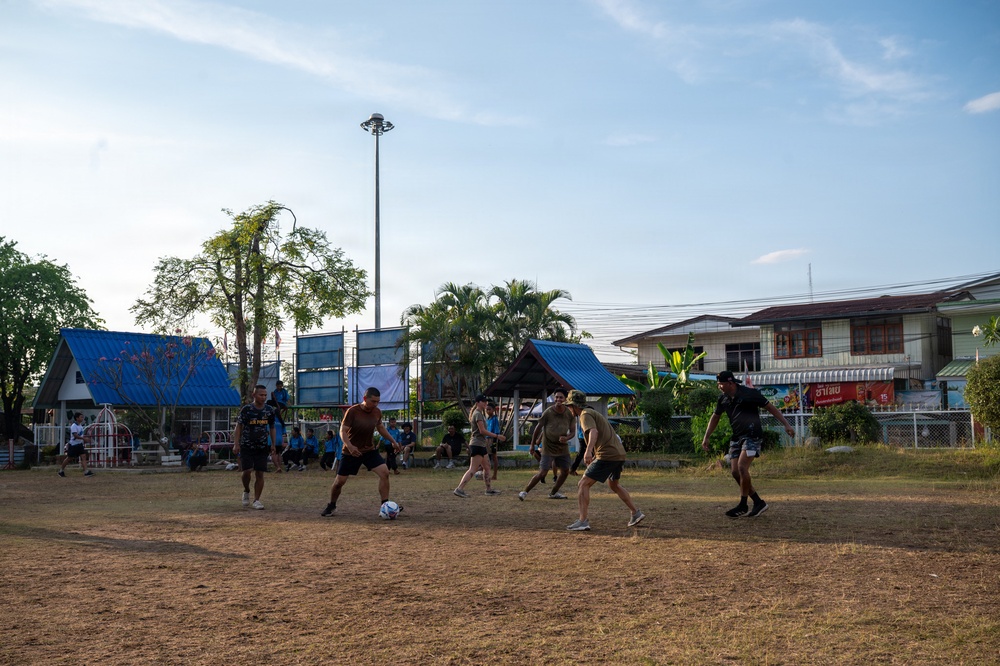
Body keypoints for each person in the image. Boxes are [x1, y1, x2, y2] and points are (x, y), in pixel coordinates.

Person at [700, 370, 796, 518]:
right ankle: (758, 502)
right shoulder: (723, 399)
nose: (719, 386)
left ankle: (743, 504)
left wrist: (786, 424)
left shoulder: (750, 394)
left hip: (752, 436)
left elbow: (770, 407)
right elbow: (715, 417)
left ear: (730, 383)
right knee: (735, 472)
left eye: (720, 384)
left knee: (742, 467)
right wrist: (706, 436)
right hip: (736, 437)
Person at [564, 390, 644, 531]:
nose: (568, 409)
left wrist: (588, 452)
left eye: (569, 406)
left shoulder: (585, 415)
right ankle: (635, 513)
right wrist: (594, 454)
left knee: (583, 484)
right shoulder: (593, 413)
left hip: (607, 455)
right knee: (614, 485)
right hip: (618, 454)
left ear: (573, 406)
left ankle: (583, 521)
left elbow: (594, 432)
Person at [321, 387, 401, 517]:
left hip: (369, 450)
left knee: (385, 472)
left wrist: (393, 441)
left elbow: (380, 428)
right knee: (339, 482)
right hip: (350, 452)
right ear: (365, 399)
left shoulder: (376, 412)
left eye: (378, 402)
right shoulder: (352, 411)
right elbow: (343, 431)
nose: (375, 404)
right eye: (373, 401)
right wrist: (350, 446)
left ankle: (384, 506)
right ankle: (331, 505)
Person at [519, 388, 574, 501]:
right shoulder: (548, 412)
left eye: (561, 397)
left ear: (565, 399)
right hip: (548, 446)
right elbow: (537, 429)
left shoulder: (569, 413)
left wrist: (566, 437)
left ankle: (554, 492)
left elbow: (573, 431)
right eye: (556, 397)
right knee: (543, 472)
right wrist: (532, 445)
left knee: (565, 471)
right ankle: (524, 491)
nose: (558, 399)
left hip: (562, 447)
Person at [233, 385, 278, 510]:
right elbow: (239, 427)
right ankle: (246, 490)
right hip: (247, 445)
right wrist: (236, 443)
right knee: (247, 471)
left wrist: (273, 444)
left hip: (262, 446)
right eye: (261, 395)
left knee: (260, 473)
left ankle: (257, 500)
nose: (263, 397)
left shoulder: (269, 410)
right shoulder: (246, 410)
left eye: (265, 395)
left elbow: (272, 427)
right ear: (254, 395)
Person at [453, 395, 505, 497]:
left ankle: (489, 489)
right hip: (477, 444)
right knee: (473, 469)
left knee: (487, 466)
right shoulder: (478, 414)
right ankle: (459, 489)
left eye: (486, 401)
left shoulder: (479, 414)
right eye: (483, 401)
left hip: (481, 445)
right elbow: (482, 431)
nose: (485, 403)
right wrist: (497, 436)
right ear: (477, 402)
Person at [58, 412, 94, 477]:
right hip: (73, 445)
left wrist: (84, 439)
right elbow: (75, 435)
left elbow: (80, 435)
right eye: (81, 417)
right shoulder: (74, 426)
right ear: (77, 418)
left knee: (83, 456)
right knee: (69, 458)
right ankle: (61, 470)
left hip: (79, 444)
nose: (82, 418)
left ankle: (86, 472)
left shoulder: (80, 426)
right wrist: (84, 439)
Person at [485, 401, 502, 480]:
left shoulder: (494, 419)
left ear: (493, 410)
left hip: (493, 439)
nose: (488, 411)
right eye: (487, 409)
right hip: (486, 439)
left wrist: (494, 442)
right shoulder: (487, 419)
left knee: (494, 456)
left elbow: (496, 431)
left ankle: (495, 475)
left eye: (489, 409)